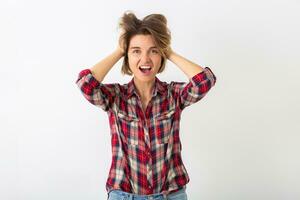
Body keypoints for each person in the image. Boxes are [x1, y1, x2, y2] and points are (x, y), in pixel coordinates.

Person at [76, 11, 217, 200]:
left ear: (161, 56)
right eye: (136, 51)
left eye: (153, 50)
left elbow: (205, 81)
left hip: (170, 195)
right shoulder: (115, 97)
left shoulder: (173, 95)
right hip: (123, 195)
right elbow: (85, 83)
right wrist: (119, 50)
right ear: (127, 56)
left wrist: (168, 51)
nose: (145, 59)